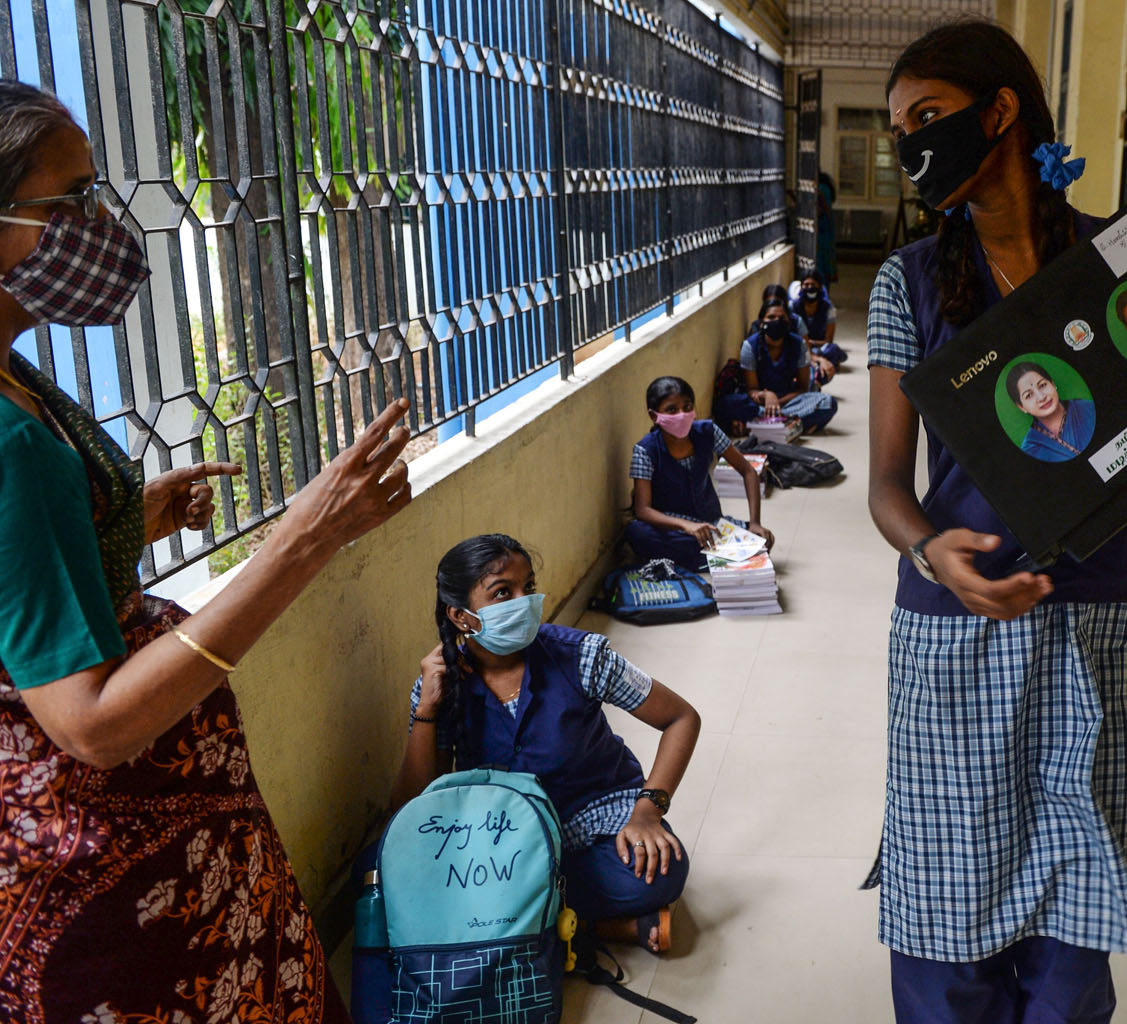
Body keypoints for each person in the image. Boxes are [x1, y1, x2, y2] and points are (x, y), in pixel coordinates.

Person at [0, 81, 414, 1022]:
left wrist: (111, 524)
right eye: (69, 202)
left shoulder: (12, 372)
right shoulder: (7, 442)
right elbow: (93, 726)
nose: (99, 225)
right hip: (109, 877)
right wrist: (304, 541)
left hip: (161, 847)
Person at [867, 22, 1127, 1024]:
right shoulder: (911, 281)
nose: (911, 147)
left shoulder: (1121, 261)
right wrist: (931, 549)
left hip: (1095, 626)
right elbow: (888, 486)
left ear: (1000, 112)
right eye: (899, 132)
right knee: (946, 937)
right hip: (955, 632)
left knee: (1070, 954)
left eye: (926, 119)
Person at [390, 534, 701, 953]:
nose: (524, 602)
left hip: (592, 819)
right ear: (461, 616)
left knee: (660, 871)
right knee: (377, 869)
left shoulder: (582, 656)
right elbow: (411, 809)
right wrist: (427, 708)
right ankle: (589, 927)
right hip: (501, 838)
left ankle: (521, 925)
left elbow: (681, 718)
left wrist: (648, 811)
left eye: (527, 587)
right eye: (503, 593)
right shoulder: (443, 683)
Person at [625, 375, 773, 570]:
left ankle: (704, 555)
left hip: (709, 522)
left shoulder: (708, 431)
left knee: (763, 538)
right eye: (671, 409)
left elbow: (748, 472)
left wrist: (755, 523)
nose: (681, 414)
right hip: (670, 526)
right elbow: (643, 510)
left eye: (687, 407)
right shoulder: (646, 450)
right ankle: (720, 554)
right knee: (638, 533)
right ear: (654, 416)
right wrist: (686, 526)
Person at [715, 298, 838, 433]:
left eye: (781, 318)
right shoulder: (750, 346)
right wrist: (767, 396)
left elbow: (803, 388)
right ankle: (791, 424)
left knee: (828, 403)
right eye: (771, 317)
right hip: (759, 403)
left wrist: (776, 404)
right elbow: (752, 389)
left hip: (788, 402)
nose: (777, 321)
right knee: (726, 404)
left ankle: (764, 425)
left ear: (788, 322)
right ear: (762, 323)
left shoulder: (799, 344)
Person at [1006, 360, 1095, 462]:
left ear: (1052, 384)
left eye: (1042, 385)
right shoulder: (1029, 451)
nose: (1041, 397)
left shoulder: (1087, 409)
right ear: (1021, 407)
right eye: (1029, 395)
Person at [791, 269, 848, 378]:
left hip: (818, 347)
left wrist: (812, 342)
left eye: (813, 284)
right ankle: (821, 363)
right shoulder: (793, 307)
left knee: (833, 349)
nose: (809, 288)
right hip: (799, 346)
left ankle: (816, 362)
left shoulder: (828, 308)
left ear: (820, 287)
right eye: (806, 284)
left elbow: (829, 340)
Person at [816, 171, 838, 283]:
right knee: (827, 260)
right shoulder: (827, 188)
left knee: (820, 261)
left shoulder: (820, 189)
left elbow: (822, 208)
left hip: (821, 226)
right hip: (827, 226)